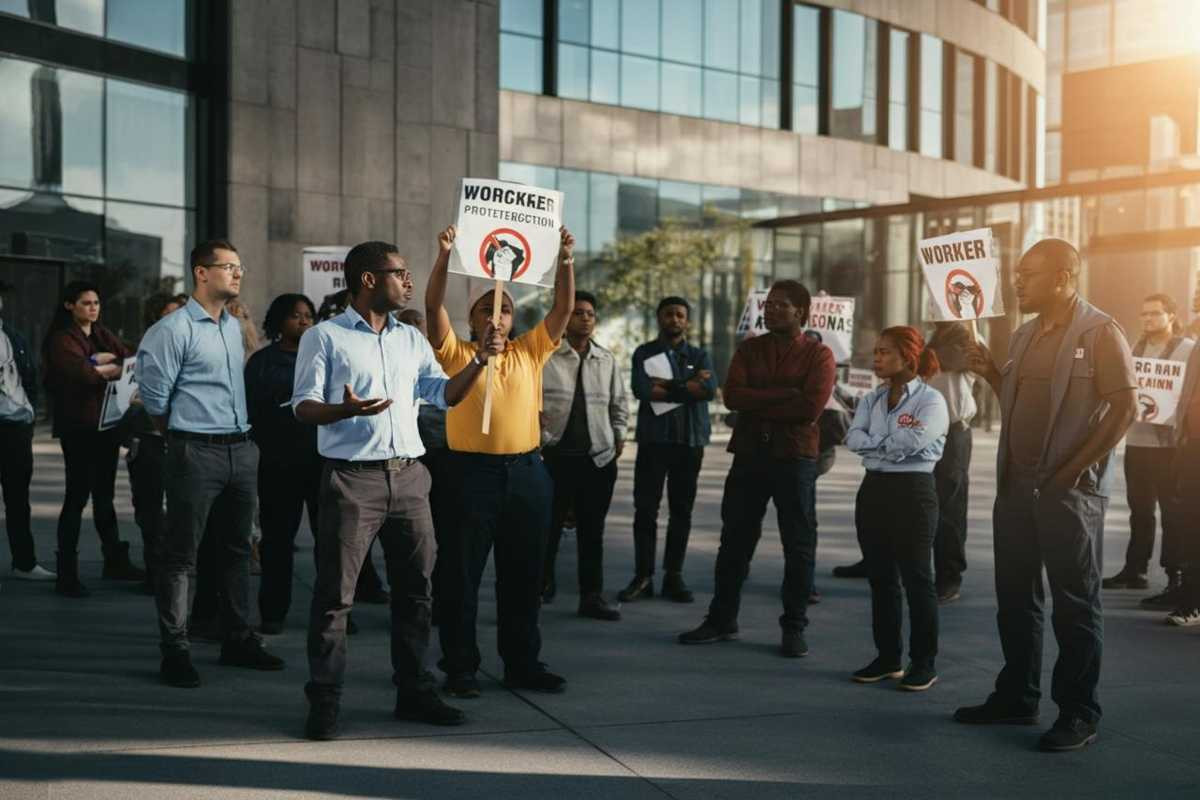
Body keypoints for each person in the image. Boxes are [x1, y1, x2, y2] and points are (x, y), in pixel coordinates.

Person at [293, 240, 498, 741]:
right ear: (368, 279)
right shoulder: (324, 336)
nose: (408, 281)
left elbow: (443, 394)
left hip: (410, 478)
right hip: (352, 480)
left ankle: (414, 691)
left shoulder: (411, 339)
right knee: (335, 597)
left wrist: (479, 360)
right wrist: (344, 410)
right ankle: (325, 699)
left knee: (417, 592)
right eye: (399, 273)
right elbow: (303, 406)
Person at [956, 238, 1137, 753]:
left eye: (1028, 274)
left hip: (1068, 493)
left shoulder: (1100, 331)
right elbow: (1014, 402)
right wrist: (992, 373)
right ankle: (1017, 696)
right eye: (1016, 273)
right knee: (1015, 598)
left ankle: (1079, 712)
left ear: (1062, 277)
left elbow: (1125, 408)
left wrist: (1071, 472)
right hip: (1016, 487)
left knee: (1074, 604)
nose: (1017, 282)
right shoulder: (1023, 335)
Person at [426, 223, 576, 699]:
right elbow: (432, 307)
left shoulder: (530, 351)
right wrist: (444, 257)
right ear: (472, 321)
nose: (497, 316)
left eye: (505, 309)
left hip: (527, 473)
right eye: (486, 310)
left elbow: (563, 309)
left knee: (524, 575)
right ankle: (460, 666)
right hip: (469, 476)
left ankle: (522, 663)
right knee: (461, 576)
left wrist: (566, 261)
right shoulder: (456, 353)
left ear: (514, 320)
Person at [137, 239, 285, 688]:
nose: (238, 274)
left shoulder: (231, 327)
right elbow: (156, 401)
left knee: (238, 550)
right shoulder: (172, 330)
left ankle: (237, 638)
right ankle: (175, 650)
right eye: (228, 266)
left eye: (240, 267)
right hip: (194, 451)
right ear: (201, 273)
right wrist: (185, 437)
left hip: (241, 449)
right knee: (182, 555)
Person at [678, 281, 834, 656]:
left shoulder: (819, 355)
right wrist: (786, 394)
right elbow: (733, 397)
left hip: (795, 459)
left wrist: (760, 403)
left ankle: (794, 627)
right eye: (769, 304)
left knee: (798, 545)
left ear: (800, 311)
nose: (771, 310)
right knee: (734, 541)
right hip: (750, 456)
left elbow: (809, 408)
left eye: (781, 305)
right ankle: (721, 619)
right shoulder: (749, 349)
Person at [844, 327, 948, 691]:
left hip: (914, 491)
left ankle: (924, 662)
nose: (877, 358)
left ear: (908, 357)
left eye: (885, 352)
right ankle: (888, 658)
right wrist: (885, 445)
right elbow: (852, 438)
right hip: (873, 489)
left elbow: (915, 439)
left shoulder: (931, 400)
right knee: (881, 578)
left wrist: (875, 444)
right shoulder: (871, 399)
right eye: (876, 351)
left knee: (917, 578)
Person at [42, 281, 144, 597]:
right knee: (76, 498)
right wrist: (94, 363)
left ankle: (114, 560)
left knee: (104, 496)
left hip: (105, 426)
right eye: (86, 303)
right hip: (79, 429)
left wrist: (106, 363)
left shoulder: (100, 333)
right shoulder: (62, 339)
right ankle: (66, 574)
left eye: (96, 303)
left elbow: (131, 359)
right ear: (69, 305)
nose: (93, 308)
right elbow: (83, 375)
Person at [620, 297, 717, 604]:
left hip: (689, 442)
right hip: (654, 441)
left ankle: (674, 576)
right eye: (668, 314)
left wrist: (668, 385)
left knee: (681, 511)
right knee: (645, 510)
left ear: (687, 321)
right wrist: (688, 384)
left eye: (680, 315)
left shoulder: (700, 355)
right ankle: (643, 576)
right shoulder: (644, 353)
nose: (674, 319)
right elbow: (643, 390)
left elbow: (708, 391)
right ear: (659, 317)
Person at [540, 290, 629, 621]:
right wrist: (538, 438)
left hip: (597, 459)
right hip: (554, 457)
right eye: (578, 313)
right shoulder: (548, 356)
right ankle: (542, 586)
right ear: (564, 318)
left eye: (590, 313)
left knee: (593, 532)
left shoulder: (605, 359)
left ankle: (591, 596)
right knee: (547, 529)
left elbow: (619, 404)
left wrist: (618, 437)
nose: (586, 318)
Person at [1102, 293, 1192, 608]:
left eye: (1155, 313)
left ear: (1171, 316)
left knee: (1172, 514)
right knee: (1139, 510)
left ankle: (1175, 576)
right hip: (1137, 441)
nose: (1148, 319)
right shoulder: (1134, 349)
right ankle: (1135, 569)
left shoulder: (1187, 350)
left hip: (1170, 446)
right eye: (1144, 314)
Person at [245, 293, 320, 634]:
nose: (303, 321)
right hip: (278, 464)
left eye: (308, 315)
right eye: (295, 315)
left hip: (320, 461)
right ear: (278, 321)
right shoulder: (262, 361)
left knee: (330, 543)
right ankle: (273, 612)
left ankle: (333, 614)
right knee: (277, 542)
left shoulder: (323, 357)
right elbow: (251, 411)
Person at [123, 292, 189, 595]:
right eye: (168, 313)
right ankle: (156, 572)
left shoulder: (190, 350)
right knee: (149, 510)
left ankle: (174, 571)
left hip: (180, 438)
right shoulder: (146, 349)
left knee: (179, 511)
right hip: (149, 438)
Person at [0, 280, 54, 582]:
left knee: (18, 499)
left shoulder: (13, 336)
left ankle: (24, 562)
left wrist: (29, 414)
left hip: (16, 427)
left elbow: (29, 378)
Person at [925, 321, 980, 604]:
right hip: (921, 428)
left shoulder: (970, 336)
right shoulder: (931, 335)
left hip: (952, 432)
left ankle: (949, 577)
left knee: (949, 507)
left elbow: (951, 359)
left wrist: (918, 353)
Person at [1166, 282, 1200, 628]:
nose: (1196, 294)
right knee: (1191, 522)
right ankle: (1190, 600)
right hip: (1192, 445)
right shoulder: (1195, 340)